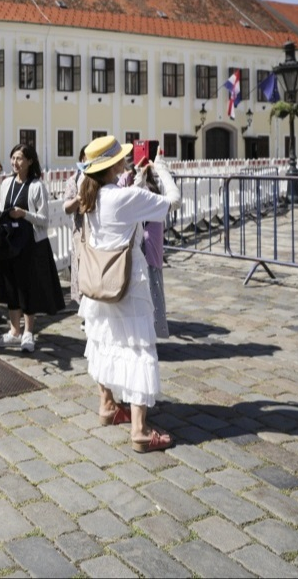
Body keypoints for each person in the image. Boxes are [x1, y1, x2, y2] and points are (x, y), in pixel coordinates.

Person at [76, 135, 180, 452]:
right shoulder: (123, 198)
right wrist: (162, 170)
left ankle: (107, 405)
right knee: (137, 349)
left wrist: (136, 177)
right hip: (128, 284)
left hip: (99, 283)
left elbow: (120, 197)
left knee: (104, 340)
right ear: (114, 165)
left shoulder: (89, 195)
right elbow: (172, 202)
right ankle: (140, 430)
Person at [0, 143, 65, 353]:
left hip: (30, 244)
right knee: (10, 287)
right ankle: (14, 330)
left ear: (30, 161)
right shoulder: (6, 183)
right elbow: (1, 209)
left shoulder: (37, 186)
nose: (15, 162)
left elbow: (44, 219)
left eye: (20, 158)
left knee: (28, 288)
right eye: (13, 158)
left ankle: (28, 332)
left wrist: (23, 214)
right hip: (9, 242)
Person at [118, 148, 171, 338]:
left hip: (149, 240)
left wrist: (157, 169)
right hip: (134, 242)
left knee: (152, 282)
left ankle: (153, 329)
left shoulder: (154, 184)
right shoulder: (126, 182)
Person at [62, 146, 90, 305]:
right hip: (82, 233)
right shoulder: (74, 180)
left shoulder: (104, 180)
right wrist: (79, 198)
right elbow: (66, 207)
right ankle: (84, 310)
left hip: (99, 234)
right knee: (81, 270)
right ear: (81, 159)